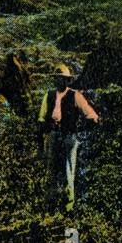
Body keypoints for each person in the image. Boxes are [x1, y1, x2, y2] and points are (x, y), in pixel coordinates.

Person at [39, 63, 101, 211]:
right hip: (53, 136)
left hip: (69, 136)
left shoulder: (75, 95)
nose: (59, 81)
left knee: (68, 171)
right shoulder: (49, 95)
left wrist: (86, 124)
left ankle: (68, 206)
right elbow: (41, 118)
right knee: (51, 171)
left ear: (67, 81)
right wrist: (43, 138)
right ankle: (50, 205)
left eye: (62, 78)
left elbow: (91, 114)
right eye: (57, 78)